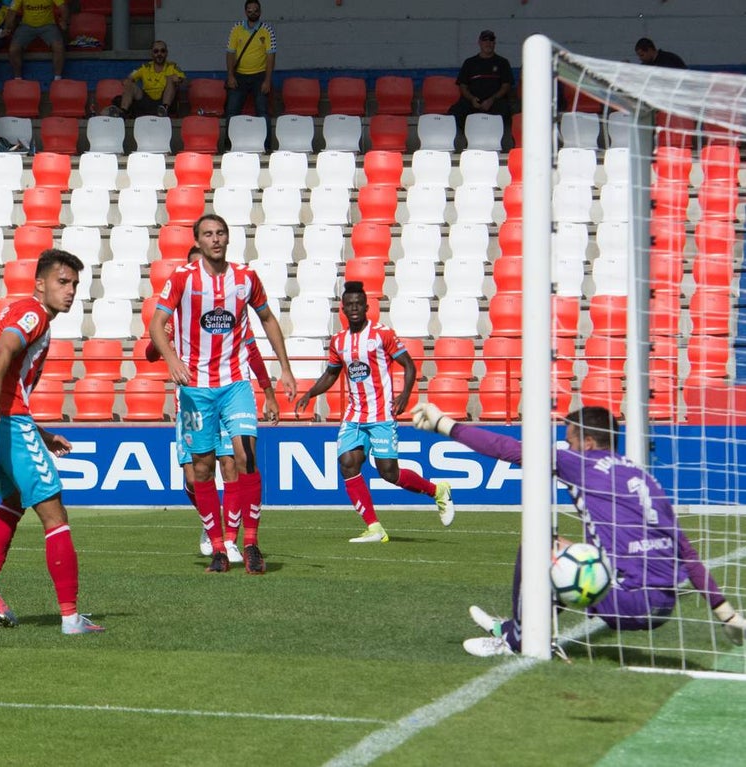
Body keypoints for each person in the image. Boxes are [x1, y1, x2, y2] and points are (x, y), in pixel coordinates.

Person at [410, 402, 746, 657]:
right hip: (664, 605)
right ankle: (513, 627)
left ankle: (513, 641)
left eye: (569, 440)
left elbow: (507, 448)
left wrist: (444, 423)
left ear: (587, 442)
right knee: (562, 546)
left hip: (628, 602)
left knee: (539, 546)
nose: (566, 448)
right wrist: (726, 614)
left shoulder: (581, 463)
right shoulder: (643, 478)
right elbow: (685, 549)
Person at [0, 249, 104, 635]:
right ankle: (71, 618)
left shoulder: (15, 313)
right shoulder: (33, 313)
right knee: (55, 516)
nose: (71, 291)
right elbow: (4, 348)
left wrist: (41, 434)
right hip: (1, 419)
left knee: (12, 501)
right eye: (62, 282)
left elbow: (7, 376)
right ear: (40, 284)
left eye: (75, 284)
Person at [149, 214, 296, 575]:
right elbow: (156, 324)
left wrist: (285, 369)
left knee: (245, 454)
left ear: (228, 238)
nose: (215, 239)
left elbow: (268, 320)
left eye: (220, 233)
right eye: (208, 235)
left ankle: (250, 543)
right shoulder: (183, 278)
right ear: (198, 241)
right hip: (195, 389)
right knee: (201, 467)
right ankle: (216, 546)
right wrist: (171, 359)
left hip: (235, 383)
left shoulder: (245, 278)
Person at [294, 282, 454, 544]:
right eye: (349, 304)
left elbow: (409, 366)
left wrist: (404, 395)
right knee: (348, 463)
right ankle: (374, 527)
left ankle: (438, 491)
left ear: (367, 307)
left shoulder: (383, 334)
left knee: (388, 473)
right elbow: (332, 373)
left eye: (359, 304)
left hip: (381, 416)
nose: (354, 308)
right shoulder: (339, 341)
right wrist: (311, 393)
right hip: (354, 416)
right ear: (342, 309)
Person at [224, 0, 276, 149]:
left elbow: (271, 56)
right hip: (239, 76)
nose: (253, 13)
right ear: (245, 12)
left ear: (260, 12)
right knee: (232, 113)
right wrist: (230, 76)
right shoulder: (236, 28)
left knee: (263, 113)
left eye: (255, 10)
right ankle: (228, 147)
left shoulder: (267, 30)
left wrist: (267, 80)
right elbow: (230, 53)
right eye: (249, 10)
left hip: (260, 76)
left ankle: (266, 148)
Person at [448, 29, 514, 131]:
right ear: (479, 42)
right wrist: (472, 99)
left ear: (494, 43)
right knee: (456, 111)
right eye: (485, 40)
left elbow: (506, 86)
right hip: (473, 101)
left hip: (495, 101)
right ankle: (467, 138)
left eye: (491, 40)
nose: (488, 43)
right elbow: (463, 86)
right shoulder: (469, 62)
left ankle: (497, 141)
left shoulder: (503, 62)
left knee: (505, 110)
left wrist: (492, 99)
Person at [104, 40, 185, 119]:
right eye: (156, 51)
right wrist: (128, 81)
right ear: (152, 53)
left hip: (165, 100)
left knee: (171, 78)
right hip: (146, 101)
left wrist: (179, 80)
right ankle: (123, 112)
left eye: (162, 51)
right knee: (129, 83)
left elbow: (185, 82)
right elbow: (129, 77)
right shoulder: (145, 67)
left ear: (166, 53)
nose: (159, 54)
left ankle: (164, 110)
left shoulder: (173, 66)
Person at [6, 0, 68, 81]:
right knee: (13, 49)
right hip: (26, 26)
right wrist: (8, 25)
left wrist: (64, 21)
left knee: (59, 47)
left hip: (48, 25)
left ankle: (58, 78)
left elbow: (64, 7)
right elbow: (12, 11)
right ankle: (18, 79)